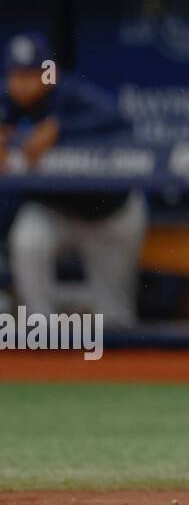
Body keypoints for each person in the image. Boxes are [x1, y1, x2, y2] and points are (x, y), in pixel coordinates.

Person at [2, 34, 147, 329]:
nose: (23, 83)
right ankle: (40, 327)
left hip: (109, 216)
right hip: (55, 212)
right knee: (28, 239)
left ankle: (87, 322)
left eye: (32, 74)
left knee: (115, 320)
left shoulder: (71, 95)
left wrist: (60, 129)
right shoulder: (6, 104)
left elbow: (121, 121)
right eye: (16, 74)